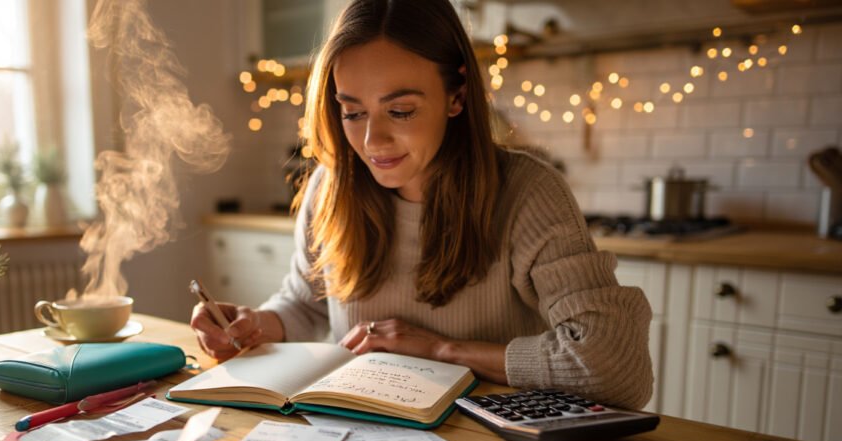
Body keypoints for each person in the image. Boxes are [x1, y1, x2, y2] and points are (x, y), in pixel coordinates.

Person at [191, 0, 653, 409]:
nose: (372, 141)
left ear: (457, 95)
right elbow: (306, 304)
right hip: (360, 433)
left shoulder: (528, 193)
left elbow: (617, 367)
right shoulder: (330, 188)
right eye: (352, 112)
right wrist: (254, 324)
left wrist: (441, 350)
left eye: (400, 111)